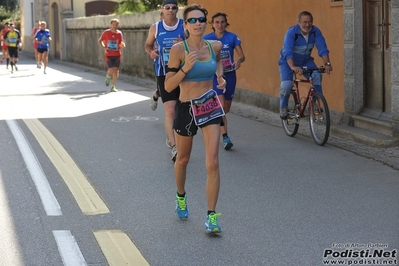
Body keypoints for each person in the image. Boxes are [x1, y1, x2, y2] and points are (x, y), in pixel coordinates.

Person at [165, 4, 226, 233]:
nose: (198, 23)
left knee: (212, 162)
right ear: (186, 25)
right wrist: (185, 68)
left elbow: (219, 60)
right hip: (186, 108)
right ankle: (181, 195)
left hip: (209, 105)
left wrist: (220, 77)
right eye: (192, 20)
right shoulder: (179, 50)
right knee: (183, 159)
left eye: (201, 19)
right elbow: (169, 85)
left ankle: (211, 216)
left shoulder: (215, 46)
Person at [144, 0, 185, 162]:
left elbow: (195, 45)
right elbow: (147, 45)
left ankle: (175, 137)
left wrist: (183, 44)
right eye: (167, 8)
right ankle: (174, 147)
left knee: (181, 109)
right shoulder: (156, 27)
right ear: (162, 9)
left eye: (173, 7)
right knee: (170, 110)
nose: (170, 10)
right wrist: (151, 53)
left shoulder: (184, 25)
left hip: (182, 71)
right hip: (163, 72)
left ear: (177, 9)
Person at [278, 11, 333, 119]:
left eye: (310, 22)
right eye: (304, 22)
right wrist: (293, 67)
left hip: (305, 61)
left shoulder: (315, 31)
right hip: (288, 62)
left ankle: (315, 103)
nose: (307, 25)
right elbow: (287, 51)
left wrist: (327, 63)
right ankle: (283, 106)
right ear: (298, 22)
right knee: (287, 86)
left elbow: (322, 48)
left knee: (317, 75)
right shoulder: (291, 33)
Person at [204, 12, 245, 150]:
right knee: (221, 105)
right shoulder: (207, 39)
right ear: (212, 24)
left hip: (230, 75)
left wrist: (239, 61)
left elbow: (242, 56)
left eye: (222, 22)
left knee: (226, 108)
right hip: (215, 76)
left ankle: (215, 118)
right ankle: (225, 137)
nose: (220, 25)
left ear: (226, 23)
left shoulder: (232, 37)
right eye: (217, 22)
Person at [98, 18, 126, 92]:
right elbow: (100, 41)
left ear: (118, 25)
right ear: (111, 25)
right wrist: (104, 47)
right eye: (113, 24)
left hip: (117, 54)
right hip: (109, 55)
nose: (115, 26)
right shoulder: (106, 32)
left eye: (116, 24)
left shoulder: (119, 33)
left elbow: (122, 43)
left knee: (116, 70)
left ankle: (113, 86)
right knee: (110, 70)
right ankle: (108, 76)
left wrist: (123, 45)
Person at [149, 11, 164, 112]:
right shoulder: (156, 28)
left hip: (178, 65)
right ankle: (156, 95)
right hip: (160, 65)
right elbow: (148, 45)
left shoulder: (179, 28)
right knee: (162, 90)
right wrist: (152, 51)